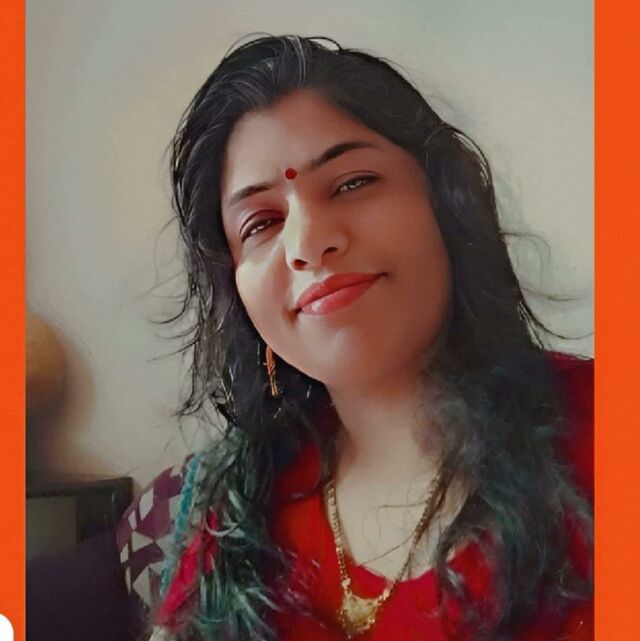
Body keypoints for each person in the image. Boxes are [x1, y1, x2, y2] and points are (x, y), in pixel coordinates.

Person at [149, 35, 593, 641]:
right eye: (262, 222)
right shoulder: (234, 509)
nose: (308, 243)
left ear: (447, 204)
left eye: (352, 183)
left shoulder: (603, 429)